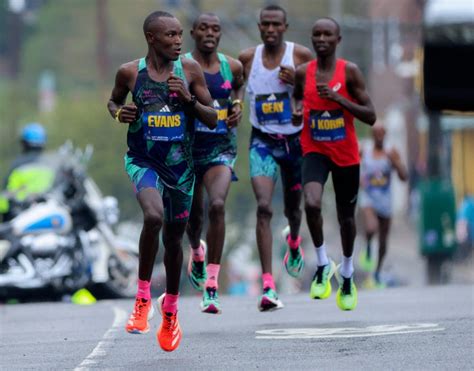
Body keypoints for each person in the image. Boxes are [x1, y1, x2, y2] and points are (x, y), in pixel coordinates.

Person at [107, 11, 216, 352]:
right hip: (143, 160)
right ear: (151, 38)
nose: (178, 41)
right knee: (153, 216)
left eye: (180, 34)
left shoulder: (190, 71)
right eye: (169, 35)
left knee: (173, 239)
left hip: (181, 168)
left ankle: (170, 309)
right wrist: (117, 112)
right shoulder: (130, 73)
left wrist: (188, 99)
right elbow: (113, 101)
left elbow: (213, 118)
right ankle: (142, 299)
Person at [292, 17, 376, 311]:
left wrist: (339, 98)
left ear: (338, 40)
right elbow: (295, 100)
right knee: (312, 204)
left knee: (346, 218)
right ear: (312, 39)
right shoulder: (304, 73)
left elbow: (370, 115)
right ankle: (323, 263)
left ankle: (348, 272)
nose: (322, 39)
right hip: (314, 149)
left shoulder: (349, 72)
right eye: (317, 34)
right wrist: (296, 110)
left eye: (328, 34)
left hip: (345, 154)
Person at [238, 4, 313, 311]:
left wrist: (297, 81)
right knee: (264, 207)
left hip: (294, 141)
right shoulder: (247, 58)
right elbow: (236, 88)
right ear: (259, 27)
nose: (270, 30)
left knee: (294, 210)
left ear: (285, 27)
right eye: (264, 25)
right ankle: (269, 284)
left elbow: (317, 90)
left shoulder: (301, 56)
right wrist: (237, 105)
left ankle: (294, 242)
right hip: (263, 141)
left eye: (275, 25)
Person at [184, 13, 244, 314]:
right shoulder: (180, 65)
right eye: (204, 28)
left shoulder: (231, 66)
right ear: (193, 32)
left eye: (216, 29)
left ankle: (211, 284)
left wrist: (238, 107)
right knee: (192, 219)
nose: (210, 33)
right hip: (187, 150)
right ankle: (196, 251)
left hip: (221, 147)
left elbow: (237, 89)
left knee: (217, 205)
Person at [358, 123, 408, 287]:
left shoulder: (391, 152)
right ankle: (367, 248)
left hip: (386, 202)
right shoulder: (364, 150)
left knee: (383, 241)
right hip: (369, 198)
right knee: (371, 227)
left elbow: (404, 176)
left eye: (382, 134)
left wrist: (396, 163)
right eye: (376, 134)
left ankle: (378, 271)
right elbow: (353, 167)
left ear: (385, 135)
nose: (379, 136)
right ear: (372, 135)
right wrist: (358, 180)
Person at [0, 123, 55, 221]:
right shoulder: (51, 165)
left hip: (19, 217)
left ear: (24, 143)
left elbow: (5, 197)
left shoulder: (17, 165)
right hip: (47, 216)